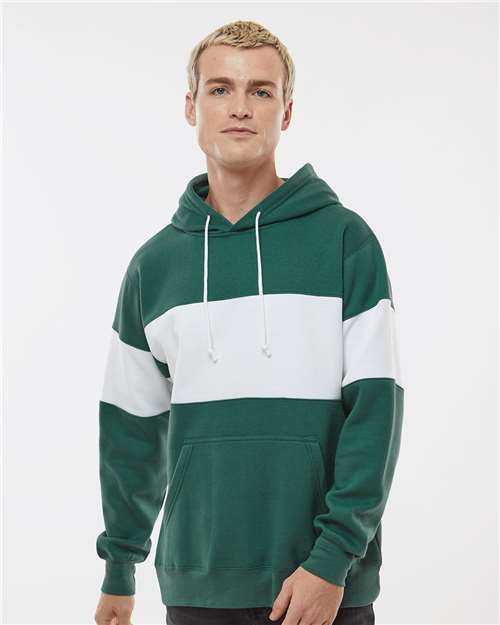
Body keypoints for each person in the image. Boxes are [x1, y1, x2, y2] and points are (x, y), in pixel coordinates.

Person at [94, 19, 404, 625]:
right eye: (220, 89)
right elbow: (130, 432)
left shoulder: (346, 241)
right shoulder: (154, 267)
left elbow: (376, 415)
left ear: (287, 111)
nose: (240, 107)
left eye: (261, 90)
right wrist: (119, 567)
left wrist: (332, 560)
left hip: (321, 587)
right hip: (197, 585)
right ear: (191, 106)